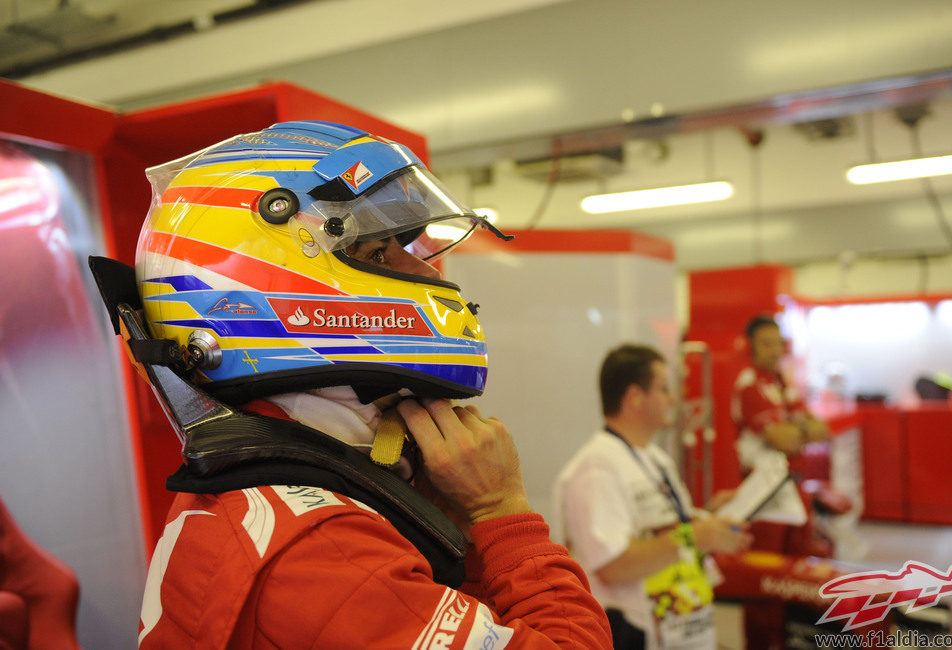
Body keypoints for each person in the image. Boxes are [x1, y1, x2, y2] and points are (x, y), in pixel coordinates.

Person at [92, 121, 612, 648]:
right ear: (273, 287)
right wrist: (502, 513)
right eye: (379, 254)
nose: (429, 275)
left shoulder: (288, 498)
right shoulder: (320, 550)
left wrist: (452, 520)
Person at [554, 344, 752, 650]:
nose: (673, 398)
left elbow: (662, 527)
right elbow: (613, 564)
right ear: (634, 396)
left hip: (681, 628)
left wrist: (709, 517)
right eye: (663, 388)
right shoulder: (596, 467)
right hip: (636, 634)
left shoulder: (654, 457)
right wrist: (695, 537)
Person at [730, 315, 830, 470]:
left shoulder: (781, 381)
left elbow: (822, 430)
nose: (775, 351)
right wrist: (805, 432)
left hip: (788, 475)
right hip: (762, 478)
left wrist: (796, 433)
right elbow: (783, 441)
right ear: (750, 347)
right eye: (767, 344)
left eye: (778, 343)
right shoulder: (749, 385)